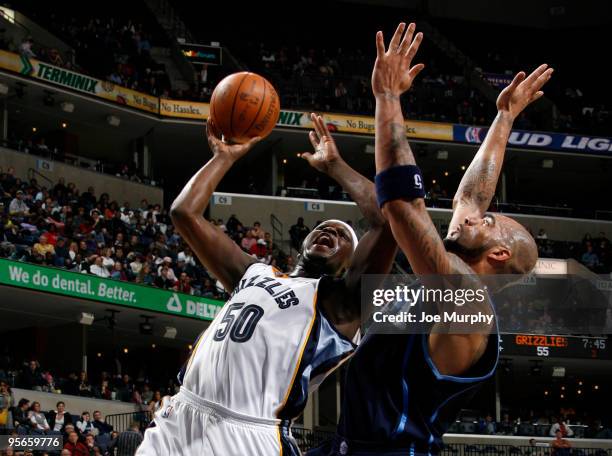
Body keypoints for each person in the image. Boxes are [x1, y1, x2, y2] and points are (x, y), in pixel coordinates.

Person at [308, 22, 551, 456]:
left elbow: (401, 206)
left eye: (488, 221)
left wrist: (387, 97)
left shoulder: (470, 306)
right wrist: (506, 117)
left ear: (497, 254)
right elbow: (472, 195)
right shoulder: (448, 280)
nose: (472, 215)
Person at [137, 111, 396, 454]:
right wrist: (222, 158)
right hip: (179, 415)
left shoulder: (342, 306)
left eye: (341, 235)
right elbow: (184, 212)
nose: (329, 231)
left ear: (351, 263)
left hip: (248, 433)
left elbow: (386, 220)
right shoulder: (254, 273)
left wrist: (335, 167)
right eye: (324, 228)